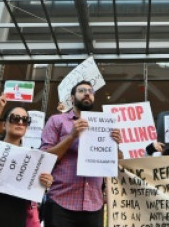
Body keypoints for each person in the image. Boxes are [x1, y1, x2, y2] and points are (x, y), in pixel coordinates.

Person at [41, 80, 121, 227]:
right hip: (61, 202)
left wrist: (115, 145)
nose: (87, 94)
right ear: (72, 98)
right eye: (82, 90)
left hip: (94, 204)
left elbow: (118, 162)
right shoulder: (57, 120)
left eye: (90, 92)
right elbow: (44, 158)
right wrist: (71, 137)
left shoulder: (104, 124)